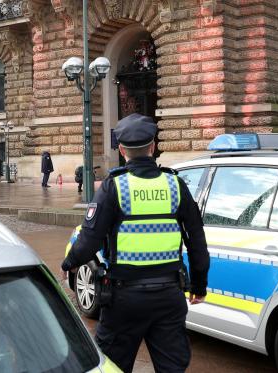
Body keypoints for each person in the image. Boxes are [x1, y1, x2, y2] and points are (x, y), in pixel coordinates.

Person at [61, 113, 210, 373]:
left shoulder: (113, 187)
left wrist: (69, 263)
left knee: (113, 367)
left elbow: (89, 240)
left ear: (121, 149)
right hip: (169, 295)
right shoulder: (176, 185)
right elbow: (197, 241)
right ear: (153, 147)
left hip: (124, 299)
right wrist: (199, 284)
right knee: (172, 367)